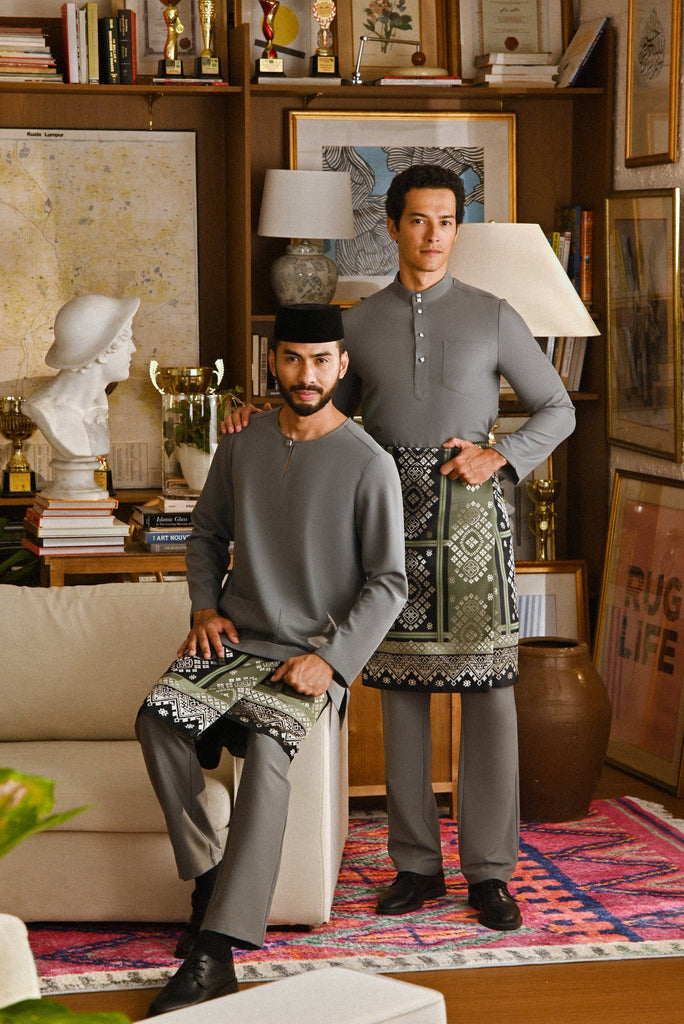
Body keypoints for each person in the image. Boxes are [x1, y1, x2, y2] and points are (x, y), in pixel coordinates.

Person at [225, 164, 576, 933]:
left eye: (446, 221)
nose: (433, 235)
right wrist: (255, 414)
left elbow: (557, 407)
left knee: (489, 694)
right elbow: (321, 413)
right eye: (418, 220)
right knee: (402, 693)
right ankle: (415, 864)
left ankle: (490, 872)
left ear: (457, 228)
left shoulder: (494, 315)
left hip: (472, 524)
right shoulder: (356, 325)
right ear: (391, 226)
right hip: (384, 523)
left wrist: (501, 454)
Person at [136, 303, 407, 1016]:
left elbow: (389, 583)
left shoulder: (369, 463)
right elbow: (204, 534)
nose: (305, 374)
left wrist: (334, 663)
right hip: (233, 643)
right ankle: (208, 876)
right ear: (274, 363)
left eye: (320, 361)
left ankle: (217, 951)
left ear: (341, 366)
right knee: (157, 720)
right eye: (292, 359)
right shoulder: (244, 441)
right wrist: (204, 608)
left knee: (264, 748)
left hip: (306, 657)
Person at [24, 294, 140, 461]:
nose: (133, 349)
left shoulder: (99, 404)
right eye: (127, 339)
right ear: (102, 352)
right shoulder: (48, 411)